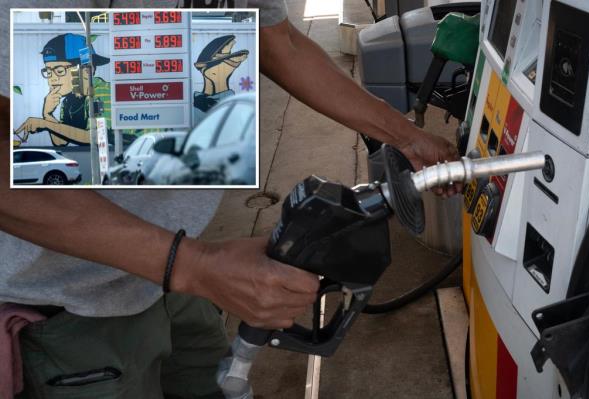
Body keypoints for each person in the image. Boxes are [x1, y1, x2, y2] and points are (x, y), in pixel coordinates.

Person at [1, 1, 460, 398]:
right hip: (66, 302)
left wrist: (405, 137)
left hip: (171, 270)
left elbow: (282, 44)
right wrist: (195, 266)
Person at [14, 33, 112, 146]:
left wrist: (45, 124)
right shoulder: (68, 101)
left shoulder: (102, 91)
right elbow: (61, 142)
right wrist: (47, 114)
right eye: (49, 72)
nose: (52, 79)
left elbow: (96, 136)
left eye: (59, 71)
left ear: (86, 70)